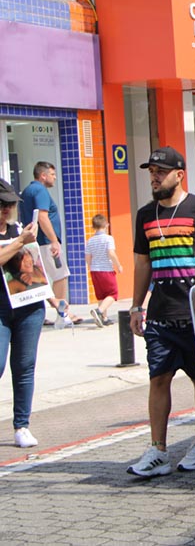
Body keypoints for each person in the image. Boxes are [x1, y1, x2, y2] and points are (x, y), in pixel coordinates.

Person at [126, 147, 195, 478]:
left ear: (179, 175)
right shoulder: (145, 214)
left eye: (160, 171)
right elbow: (142, 262)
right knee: (158, 378)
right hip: (159, 314)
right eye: (151, 171)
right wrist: (136, 306)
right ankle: (158, 450)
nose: (154, 176)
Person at [0, 179, 43, 448]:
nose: (7, 209)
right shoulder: (18, 235)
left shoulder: (18, 229)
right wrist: (20, 242)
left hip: (28, 305)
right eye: (2, 205)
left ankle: (22, 426)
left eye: (11, 204)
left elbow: (33, 266)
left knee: (24, 367)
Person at [19, 161, 82, 326]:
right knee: (61, 275)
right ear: (43, 175)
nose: (54, 178)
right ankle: (63, 313)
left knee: (39, 279)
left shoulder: (27, 191)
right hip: (46, 243)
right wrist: (54, 241)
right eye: (52, 174)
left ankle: (37, 316)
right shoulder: (40, 190)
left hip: (32, 242)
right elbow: (42, 216)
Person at [85, 214, 123, 327]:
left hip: (94, 270)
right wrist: (119, 265)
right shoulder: (108, 238)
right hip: (106, 269)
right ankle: (99, 311)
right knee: (113, 293)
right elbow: (111, 253)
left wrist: (91, 266)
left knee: (101, 295)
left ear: (93, 227)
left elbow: (88, 256)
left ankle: (103, 318)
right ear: (106, 225)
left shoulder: (90, 240)